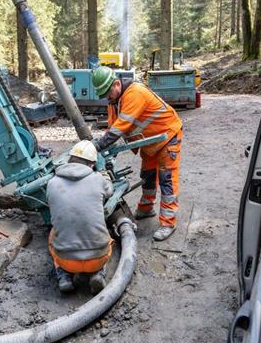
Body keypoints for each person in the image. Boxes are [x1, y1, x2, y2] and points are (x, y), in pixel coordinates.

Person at [90, 65, 183, 241]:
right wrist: (107, 153)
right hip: (150, 140)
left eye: (107, 93)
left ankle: (168, 222)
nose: (106, 98)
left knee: (167, 179)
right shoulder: (114, 102)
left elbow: (119, 129)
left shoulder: (135, 93)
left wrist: (96, 147)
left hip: (167, 135)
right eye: (103, 95)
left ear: (117, 84)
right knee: (147, 174)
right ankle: (146, 208)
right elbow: (112, 129)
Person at [46, 140, 113, 294]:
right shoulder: (98, 179)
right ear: (92, 164)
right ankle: (98, 273)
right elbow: (109, 191)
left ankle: (63, 276)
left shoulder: (52, 183)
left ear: (69, 159)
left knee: (52, 234)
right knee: (107, 236)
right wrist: (104, 174)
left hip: (67, 260)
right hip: (97, 258)